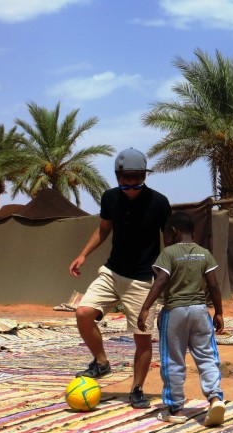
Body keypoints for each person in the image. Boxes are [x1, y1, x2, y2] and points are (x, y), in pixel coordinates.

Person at [69, 148, 171, 409]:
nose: (131, 185)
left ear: (144, 175)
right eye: (125, 179)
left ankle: (137, 389)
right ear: (117, 176)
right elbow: (103, 229)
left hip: (143, 280)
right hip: (112, 272)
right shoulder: (110, 198)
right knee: (83, 312)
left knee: (142, 336)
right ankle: (102, 362)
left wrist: (169, 274)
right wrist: (82, 255)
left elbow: (169, 240)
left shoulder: (159, 202)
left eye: (136, 178)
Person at [137, 211, 225, 427]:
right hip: (200, 311)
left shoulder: (169, 253)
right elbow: (213, 284)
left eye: (166, 234)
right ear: (192, 232)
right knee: (207, 357)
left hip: (174, 312)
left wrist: (146, 307)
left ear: (173, 231)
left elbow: (161, 279)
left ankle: (175, 408)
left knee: (173, 360)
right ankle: (215, 399)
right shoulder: (204, 253)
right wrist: (219, 312)